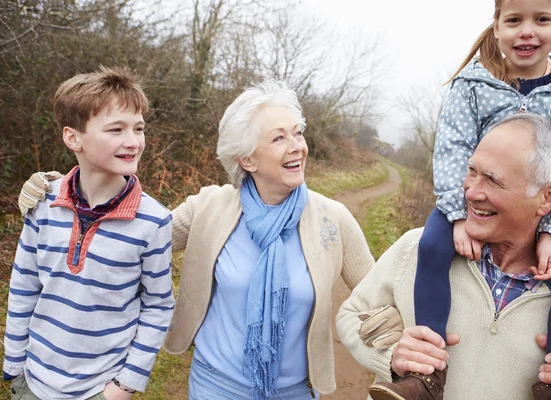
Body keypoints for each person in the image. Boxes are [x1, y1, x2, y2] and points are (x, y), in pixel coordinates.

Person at [17, 80, 376, 400]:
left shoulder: (333, 220)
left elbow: (378, 300)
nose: (296, 146)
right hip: (212, 385)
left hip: (295, 391)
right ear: (247, 158)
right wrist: (57, 191)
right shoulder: (210, 207)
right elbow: (124, 233)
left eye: (298, 134)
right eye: (279, 137)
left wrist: (407, 357)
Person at [403, 0, 551, 398]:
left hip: (546, 209)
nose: (526, 31)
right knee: (432, 245)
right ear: (497, 28)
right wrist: (459, 216)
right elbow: (454, 149)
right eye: (514, 20)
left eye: (541, 19)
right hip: (468, 200)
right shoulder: (474, 83)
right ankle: (426, 372)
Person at [337, 113, 551, 400]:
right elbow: (349, 316)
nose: (471, 191)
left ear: (548, 197)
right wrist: (392, 356)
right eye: (472, 171)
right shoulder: (416, 247)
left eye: (493, 180)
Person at [3, 68, 175, 400]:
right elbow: (25, 284)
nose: (133, 141)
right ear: (73, 138)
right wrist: (14, 364)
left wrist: (125, 386)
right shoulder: (42, 201)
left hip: (99, 390)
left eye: (138, 128)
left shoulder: (154, 221)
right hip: (32, 381)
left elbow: (157, 305)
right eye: (116, 129)